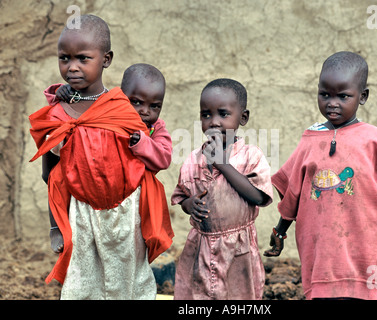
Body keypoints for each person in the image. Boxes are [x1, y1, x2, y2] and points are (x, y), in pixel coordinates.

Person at [29, 15, 173, 299]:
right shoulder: (59, 112)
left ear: (105, 59)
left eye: (83, 59)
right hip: (82, 213)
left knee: (129, 277)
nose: (72, 67)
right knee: (83, 278)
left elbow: (155, 157)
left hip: (126, 212)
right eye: (64, 58)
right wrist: (56, 226)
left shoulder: (121, 106)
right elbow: (52, 176)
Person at [264, 51, 377, 300]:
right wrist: (280, 231)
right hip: (319, 250)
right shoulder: (310, 140)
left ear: (362, 97)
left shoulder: (373, 139)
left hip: (360, 248)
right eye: (325, 94)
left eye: (343, 96)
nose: (332, 102)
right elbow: (293, 196)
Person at [43, 63, 172, 254]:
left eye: (154, 106)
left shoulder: (156, 128)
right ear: (120, 97)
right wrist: (61, 93)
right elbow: (82, 105)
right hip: (97, 186)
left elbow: (164, 158)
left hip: (130, 198)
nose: (145, 111)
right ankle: (56, 228)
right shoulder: (110, 110)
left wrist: (143, 143)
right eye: (136, 102)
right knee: (57, 178)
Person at [171, 78, 273, 300]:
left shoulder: (250, 156)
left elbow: (257, 196)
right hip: (201, 247)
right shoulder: (193, 159)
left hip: (238, 250)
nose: (214, 122)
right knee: (199, 295)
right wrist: (189, 205)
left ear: (242, 118)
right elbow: (182, 198)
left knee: (239, 297)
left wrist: (223, 164)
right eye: (206, 115)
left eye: (223, 114)